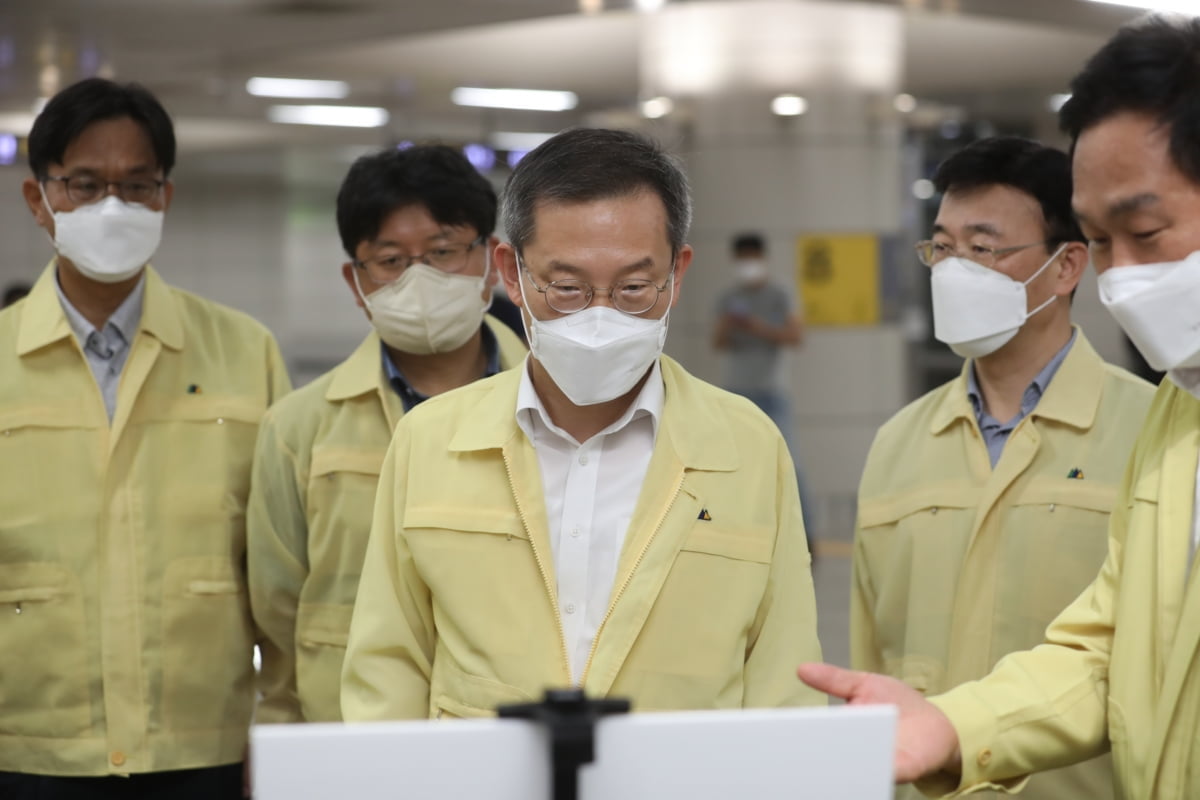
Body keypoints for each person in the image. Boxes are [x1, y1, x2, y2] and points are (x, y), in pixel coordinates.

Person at [799, 14, 1200, 799]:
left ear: (1060, 269)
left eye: (1146, 232)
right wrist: (950, 729)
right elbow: (1107, 652)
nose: (1122, 281)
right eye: (1106, 242)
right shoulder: (1178, 421)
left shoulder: (1134, 418)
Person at [341, 128, 823, 720]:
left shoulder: (746, 445)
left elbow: (783, 676)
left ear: (678, 273)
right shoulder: (431, 439)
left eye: (634, 288)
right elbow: (388, 665)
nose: (600, 315)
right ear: (511, 274)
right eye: (567, 288)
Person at [0, 78, 290, 799]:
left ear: (165, 197)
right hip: (29, 751)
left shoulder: (242, 350)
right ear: (40, 200)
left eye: (137, 186)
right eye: (86, 184)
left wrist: (280, 732)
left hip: (203, 750)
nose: (113, 207)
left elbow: (283, 574)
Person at [851, 136, 1154, 800]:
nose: (954, 270)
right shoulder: (899, 443)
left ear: (1067, 265)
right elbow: (869, 659)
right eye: (943, 247)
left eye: (982, 248)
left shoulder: (1152, 435)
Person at [247, 145, 527, 724]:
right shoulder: (299, 428)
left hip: (505, 733)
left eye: (444, 252)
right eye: (392, 260)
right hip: (350, 735)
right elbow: (278, 614)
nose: (419, 278)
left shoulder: (558, 406)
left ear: (494, 262)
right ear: (356, 280)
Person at [713, 233, 814, 539]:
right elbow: (717, 344)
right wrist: (728, 325)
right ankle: (740, 531)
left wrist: (758, 327)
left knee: (789, 465)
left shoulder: (780, 293)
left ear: (762, 258)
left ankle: (804, 534)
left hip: (771, 391)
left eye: (751, 258)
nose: (747, 265)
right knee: (735, 466)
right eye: (742, 259)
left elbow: (796, 337)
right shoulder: (728, 298)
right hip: (736, 391)